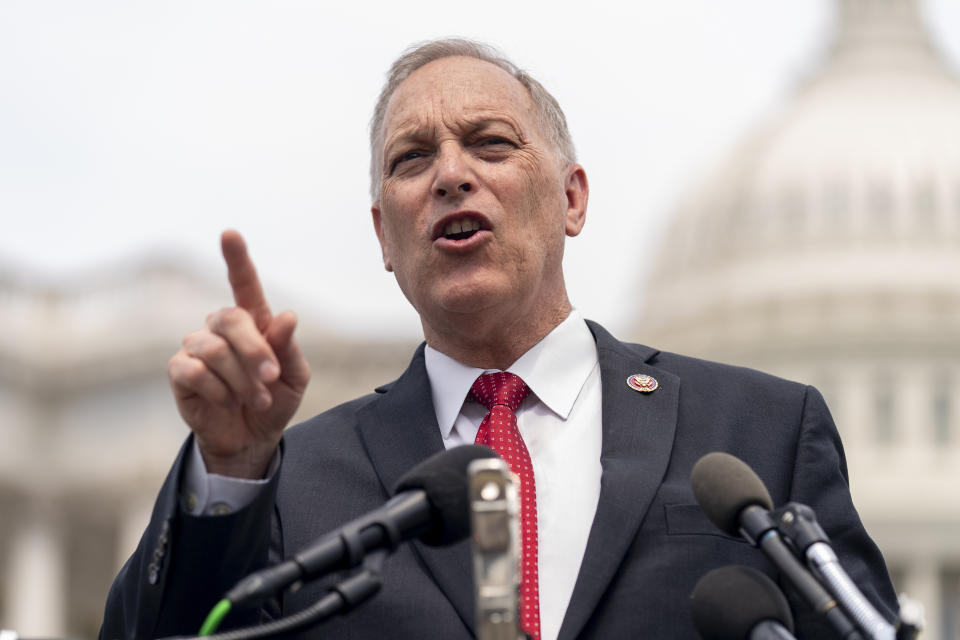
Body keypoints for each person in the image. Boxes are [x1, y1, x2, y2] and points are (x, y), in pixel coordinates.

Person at [100, 38, 897, 639]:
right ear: (384, 235)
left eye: (491, 143)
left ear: (572, 199)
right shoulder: (293, 483)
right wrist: (233, 470)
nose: (450, 173)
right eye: (412, 159)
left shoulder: (760, 433)